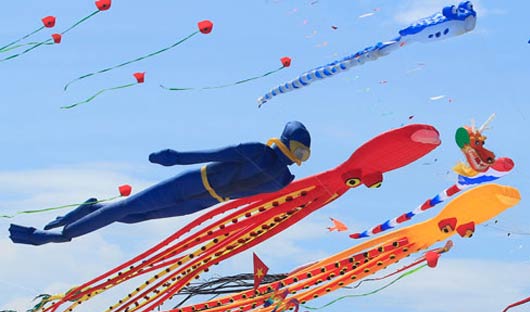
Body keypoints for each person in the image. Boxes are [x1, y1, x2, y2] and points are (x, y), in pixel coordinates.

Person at [9, 121, 312, 246]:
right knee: (128, 207)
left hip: (203, 201)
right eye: (299, 151)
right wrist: (175, 157)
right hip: (194, 184)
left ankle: (91, 208)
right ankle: (59, 235)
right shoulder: (261, 156)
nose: (296, 156)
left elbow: (262, 208)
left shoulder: (281, 179)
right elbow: (214, 154)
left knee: (132, 216)